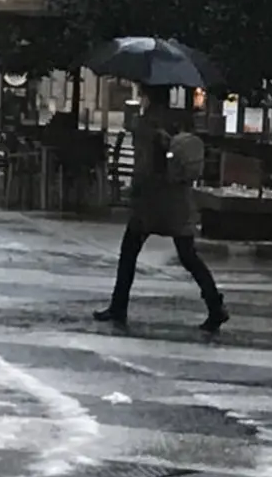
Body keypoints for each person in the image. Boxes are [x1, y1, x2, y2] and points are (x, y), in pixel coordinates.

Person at [95, 89, 228, 331]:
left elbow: (147, 165)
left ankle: (118, 306)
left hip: (154, 200)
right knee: (188, 256)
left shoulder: (149, 124)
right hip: (178, 199)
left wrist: (136, 190)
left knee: (129, 252)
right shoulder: (179, 121)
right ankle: (214, 305)